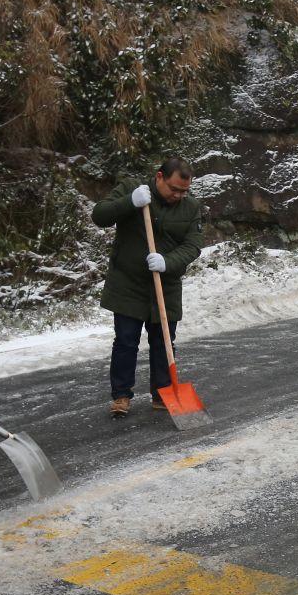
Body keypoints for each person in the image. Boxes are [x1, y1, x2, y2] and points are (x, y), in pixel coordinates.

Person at [92, 157, 205, 416]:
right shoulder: (133, 189)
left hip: (166, 285)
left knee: (163, 342)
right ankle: (121, 396)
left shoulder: (191, 208)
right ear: (159, 177)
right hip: (127, 284)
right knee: (125, 341)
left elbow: (193, 245)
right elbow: (99, 215)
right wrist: (129, 202)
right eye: (174, 189)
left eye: (184, 191)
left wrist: (168, 262)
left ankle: (163, 393)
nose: (178, 195)